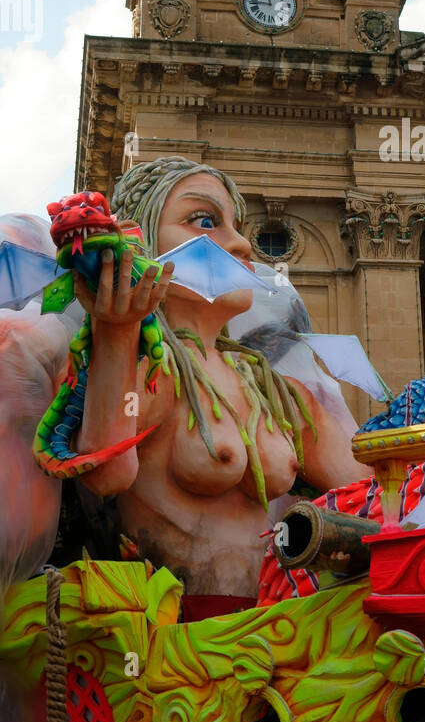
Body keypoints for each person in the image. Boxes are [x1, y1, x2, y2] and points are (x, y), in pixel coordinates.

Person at [70, 157, 370, 600]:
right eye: (205, 221)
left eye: (237, 225)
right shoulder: (156, 373)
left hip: (273, 629)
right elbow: (106, 472)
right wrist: (116, 334)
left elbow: (376, 499)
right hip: (170, 637)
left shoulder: (280, 394)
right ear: (140, 244)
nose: (242, 245)